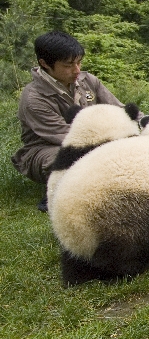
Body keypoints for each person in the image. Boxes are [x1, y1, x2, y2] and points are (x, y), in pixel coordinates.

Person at [11, 31, 132, 211]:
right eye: (68, 65)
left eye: (78, 62)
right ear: (44, 64)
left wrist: (148, 124)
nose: (76, 70)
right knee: (72, 156)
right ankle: (56, 192)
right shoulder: (34, 98)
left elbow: (119, 109)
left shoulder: (87, 80)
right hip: (47, 148)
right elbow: (68, 136)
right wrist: (115, 143)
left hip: (97, 138)